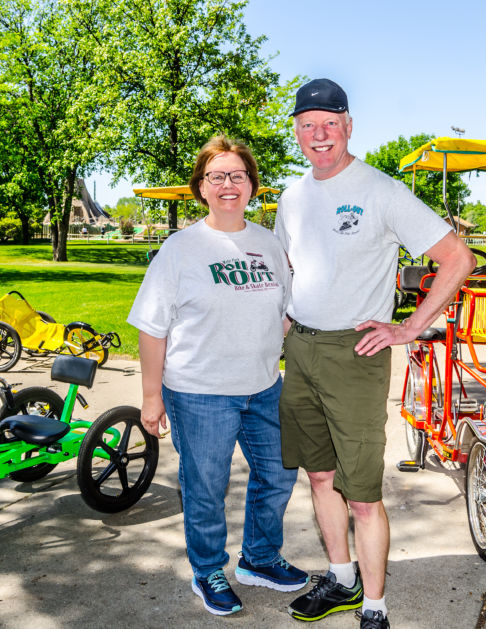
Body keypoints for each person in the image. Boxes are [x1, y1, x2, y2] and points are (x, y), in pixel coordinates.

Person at [275, 79, 476, 629]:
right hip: (302, 350)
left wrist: (410, 327)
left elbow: (457, 259)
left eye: (329, 123)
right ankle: (342, 580)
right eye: (308, 124)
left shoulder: (381, 191)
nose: (319, 134)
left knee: (362, 492)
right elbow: (291, 269)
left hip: (355, 352)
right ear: (296, 132)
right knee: (320, 477)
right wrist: (282, 327)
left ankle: (374, 607)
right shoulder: (291, 198)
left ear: (348, 126)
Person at [127, 135, 308, 617]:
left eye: (238, 175)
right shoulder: (180, 249)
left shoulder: (269, 244)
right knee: (206, 487)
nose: (229, 184)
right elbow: (151, 328)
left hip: (264, 387)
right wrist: (151, 396)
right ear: (202, 187)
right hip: (199, 393)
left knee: (279, 474)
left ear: (252, 185)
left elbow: (284, 312)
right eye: (217, 176)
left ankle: (260, 559)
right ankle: (208, 569)